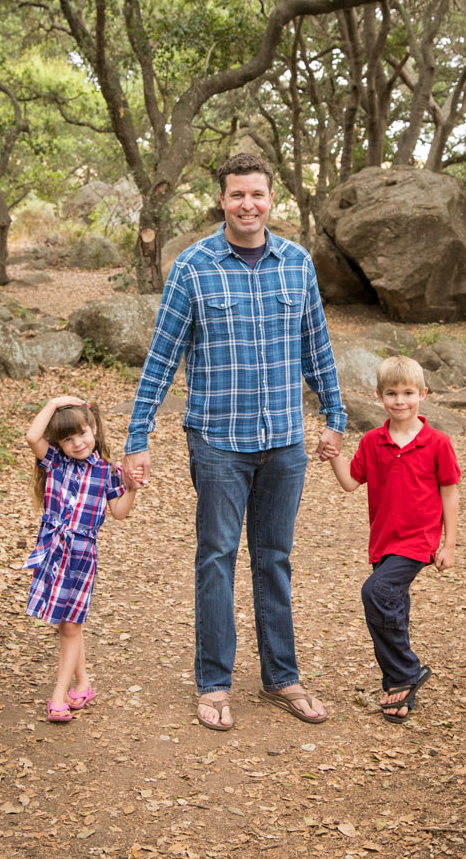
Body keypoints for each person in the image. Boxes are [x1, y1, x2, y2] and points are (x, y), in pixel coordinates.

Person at [123, 152, 346, 730]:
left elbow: (316, 348)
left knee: (275, 560)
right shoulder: (193, 267)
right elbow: (162, 358)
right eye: (236, 195)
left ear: (272, 199)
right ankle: (214, 682)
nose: (248, 204)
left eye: (258, 194)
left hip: (284, 443)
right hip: (218, 441)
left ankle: (282, 677)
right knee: (217, 558)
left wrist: (335, 416)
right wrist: (137, 435)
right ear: (221, 199)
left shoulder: (296, 264)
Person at [325, 355, 460, 723]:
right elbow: (351, 483)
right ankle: (400, 693)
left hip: (418, 542)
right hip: (383, 541)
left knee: (375, 593)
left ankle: (406, 671)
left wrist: (448, 544)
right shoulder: (372, 441)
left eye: (408, 393)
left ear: (423, 394)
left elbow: (450, 492)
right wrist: (335, 455)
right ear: (379, 396)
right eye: (391, 394)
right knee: (393, 609)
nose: (400, 401)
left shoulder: (437, 443)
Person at [24, 395, 140, 722]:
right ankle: (83, 684)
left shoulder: (107, 472)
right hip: (53, 549)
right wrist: (54, 402)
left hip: (81, 554)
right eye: (67, 438)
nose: (77, 443)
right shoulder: (55, 462)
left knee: (70, 626)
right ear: (58, 442)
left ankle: (59, 695)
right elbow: (33, 437)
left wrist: (130, 488)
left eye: (82, 433)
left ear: (94, 428)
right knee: (66, 625)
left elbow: (118, 513)